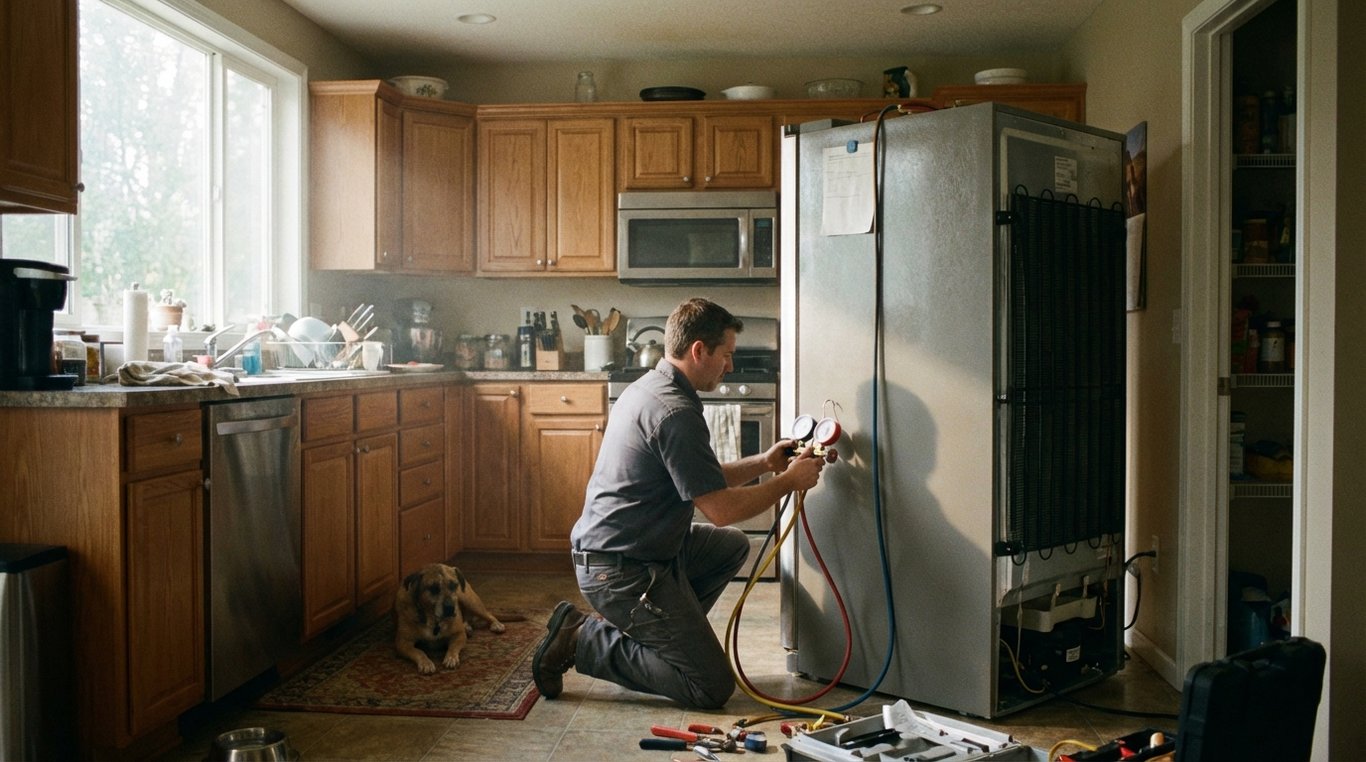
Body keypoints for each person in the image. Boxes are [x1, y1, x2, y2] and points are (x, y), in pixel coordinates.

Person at [530, 297, 828, 709]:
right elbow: (720, 510)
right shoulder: (675, 411)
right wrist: (789, 482)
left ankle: (663, 637)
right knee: (710, 687)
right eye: (726, 355)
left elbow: (699, 479)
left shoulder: (654, 388)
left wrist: (764, 464)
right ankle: (582, 640)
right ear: (698, 351)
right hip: (618, 570)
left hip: (641, 552)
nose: (730, 366)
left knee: (731, 549)